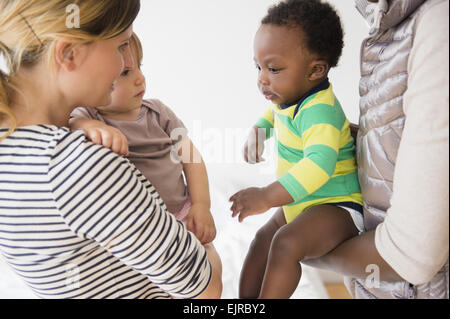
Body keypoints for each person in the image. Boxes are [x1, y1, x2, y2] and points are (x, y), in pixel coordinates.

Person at [0, 0, 221, 299]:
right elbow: (205, 292)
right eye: (121, 46)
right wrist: (207, 254)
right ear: (69, 54)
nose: (124, 65)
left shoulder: (14, 146)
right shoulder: (82, 165)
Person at [302, 0, 449, 299]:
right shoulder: (389, 27)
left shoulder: (437, 23)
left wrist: (298, 247)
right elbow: (397, 148)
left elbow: (411, 254)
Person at [229, 0, 364, 299]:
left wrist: (266, 196)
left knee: (286, 244)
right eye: (259, 66)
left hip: (337, 206)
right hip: (302, 202)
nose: (262, 78)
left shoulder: (320, 112)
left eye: (273, 68)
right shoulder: (289, 96)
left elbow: (319, 164)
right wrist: (259, 131)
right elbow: (277, 113)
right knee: (262, 240)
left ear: (315, 70)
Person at [69, 32, 217, 245]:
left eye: (139, 66)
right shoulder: (90, 116)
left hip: (181, 213)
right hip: (137, 225)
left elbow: (192, 159)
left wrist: (201, 205)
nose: (140, 78)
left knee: (207, 260)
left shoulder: (158, 112)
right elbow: (72, 122)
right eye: (126, 72)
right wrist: (91, 126)